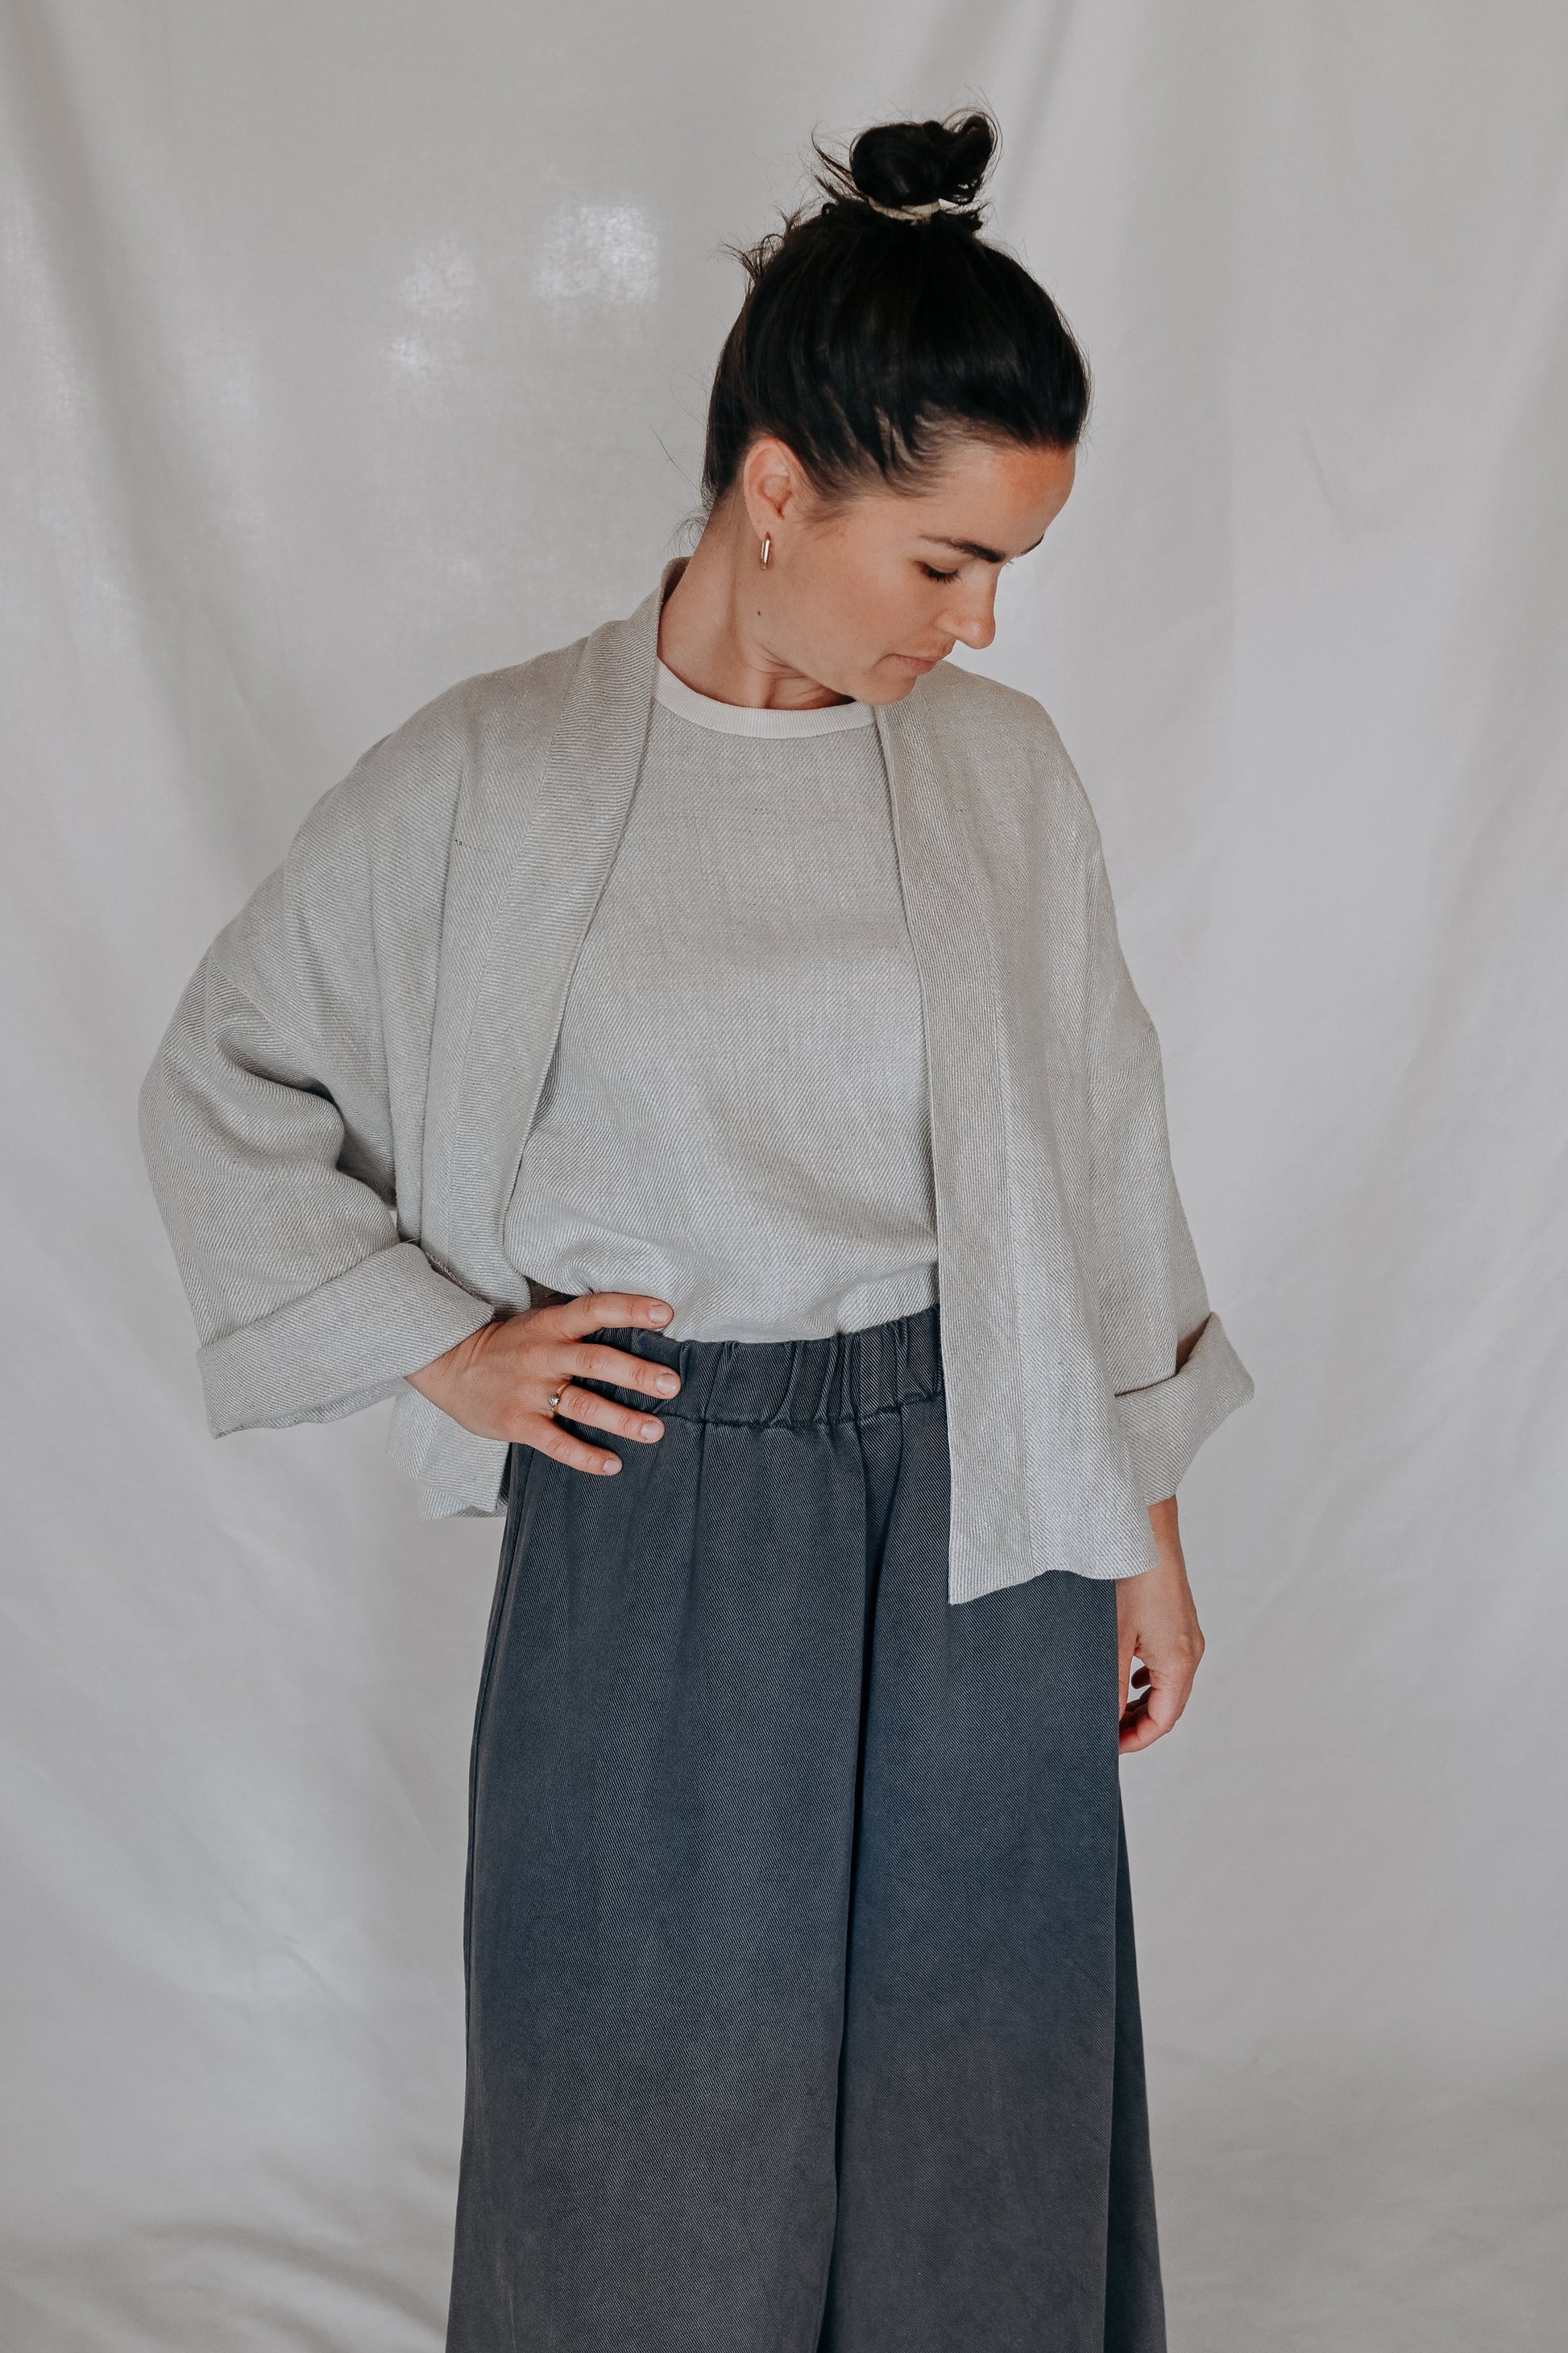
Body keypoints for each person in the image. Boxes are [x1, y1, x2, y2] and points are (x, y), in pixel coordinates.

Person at [139, 108, 1255, 2353]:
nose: (982, 618)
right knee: (647, 2096)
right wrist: (435, 1337)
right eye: (943, 560)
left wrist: (1138, 1524)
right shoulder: (496, 779)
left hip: (984, 1474)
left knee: (977, 2084)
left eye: (1009, 568)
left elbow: (1099, 1157)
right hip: (658, 1497)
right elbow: (225, 1080)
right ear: (775, 491)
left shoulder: (1001, 775)